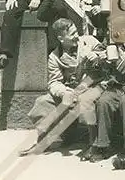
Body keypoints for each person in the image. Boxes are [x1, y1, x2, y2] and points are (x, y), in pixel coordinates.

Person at [21, 19, 109, 157]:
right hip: (70, 91)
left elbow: (108, 57)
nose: (76, 36)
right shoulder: (54, 57)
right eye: (72, 34)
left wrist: (97, 57)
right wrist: (63, 92)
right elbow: (54, 82)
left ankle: (93, 143)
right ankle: (45, 141)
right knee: (42, 102)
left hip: (95, 84)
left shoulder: (90, 41)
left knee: (85, 100)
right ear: (61, 38)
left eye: (76, 32)